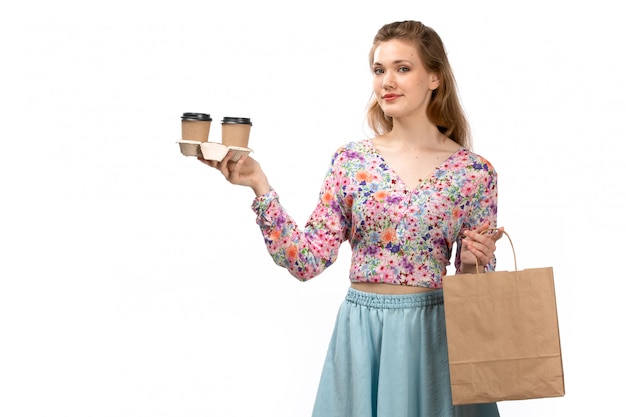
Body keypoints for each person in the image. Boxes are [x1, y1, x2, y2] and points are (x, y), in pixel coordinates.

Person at [201, 20, 503, 417]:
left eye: (402, 68)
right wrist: (259, 184)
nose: (387, 82)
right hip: (363, 338)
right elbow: (306, 261)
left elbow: (479, 291)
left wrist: (471, 265)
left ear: (435, 77)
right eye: (379, 70)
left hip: (435, 340)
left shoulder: (474, 172)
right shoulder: (351, 161)